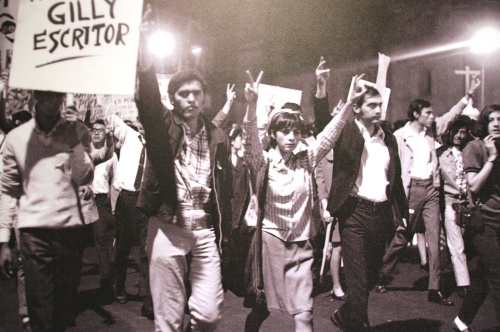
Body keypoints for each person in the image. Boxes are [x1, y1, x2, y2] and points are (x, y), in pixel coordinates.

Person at [243, 69, 366, 331]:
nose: (291, 137)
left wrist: (351, 102)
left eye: (296, 132)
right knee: (263, 309)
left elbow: (330, 135)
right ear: (274, 134)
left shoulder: (306, 160)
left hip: (301, 245)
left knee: (304, 314)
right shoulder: (262, 163)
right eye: (285, 132)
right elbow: (250, 142)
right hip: (271, 243)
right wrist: (251, 106)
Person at [135, 41, 233, 330]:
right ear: (173, 99)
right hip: (167, 226)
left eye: (197, 93)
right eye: (184, 93)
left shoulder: (217, 135)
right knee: (169, 318)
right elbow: (149, 104)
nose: (191, 98)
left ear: (205, 98)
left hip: (203, 230)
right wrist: (146, 64)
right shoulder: (163, 127)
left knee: (209, 315)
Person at [374, 76, 481, 308]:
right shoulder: (401, 136)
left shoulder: (431, 131)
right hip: (411, 191)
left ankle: (435, 288)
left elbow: (451, 115)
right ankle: (382, 273)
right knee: (403, 236)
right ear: (416, 115)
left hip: (431, 190)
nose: (433, 116)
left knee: (435, 240)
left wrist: (467, 96)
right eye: (428, 113)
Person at [0, 90, 94, 331]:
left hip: (69, 231)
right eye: (45, 97)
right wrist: (3, 241)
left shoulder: (78, 131)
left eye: (56, 97)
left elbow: (84, 176)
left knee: (64, 310)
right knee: (40, 309)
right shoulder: (16, 138)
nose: (51, 103)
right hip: (33, 233)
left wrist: (73, 138)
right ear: (35, 100)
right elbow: (8, 191)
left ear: (63, 99)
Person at [318, 79, 408, 331]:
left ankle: (346, 314)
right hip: (354, 213)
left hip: (380, 215)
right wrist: (322, 89)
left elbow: (396, 178)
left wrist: (403, 214)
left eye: (380, 105)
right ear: (357, 108)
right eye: (372, 105)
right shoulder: (346, 131)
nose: (379, 110)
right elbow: (323, 123)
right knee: (357, 283)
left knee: (369, 278)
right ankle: (358, 323)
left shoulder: (388, 138)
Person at [452, 104, 500, 332]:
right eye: (492, 120)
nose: (497, 123)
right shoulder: (475, 147)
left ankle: (461, 320)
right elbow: (474, 184)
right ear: (484, 123)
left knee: (483, 275)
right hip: (483, 222)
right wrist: (491, 159)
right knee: (498, 274)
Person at [107, 114, 153, 318]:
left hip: (144, 200)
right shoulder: (128, 135)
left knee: (146, 249)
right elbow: (112, 118)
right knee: (123, 246)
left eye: (147, 122)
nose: (143, 126)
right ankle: (119, 287)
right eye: (141, 122)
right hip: (126, 198)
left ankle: (147, 297)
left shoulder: (156, 146)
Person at [437, 115, 474, 298]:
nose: (459, 135)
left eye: (463, 132)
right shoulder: (441, 153)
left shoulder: (470, 150)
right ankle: (463, 284)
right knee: (457, 244)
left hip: (470, 203)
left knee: (467, 243)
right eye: (456, 131)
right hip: (451, 202)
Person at [90, 119, 118, 304]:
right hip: (83, 201)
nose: (97, 132)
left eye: (101, 130)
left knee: (104, 239)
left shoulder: (111, 155)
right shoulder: (83, 151)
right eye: (94, 130)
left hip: (101, 202)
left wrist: (113, 207)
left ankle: (106, 281)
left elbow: (114, 181)